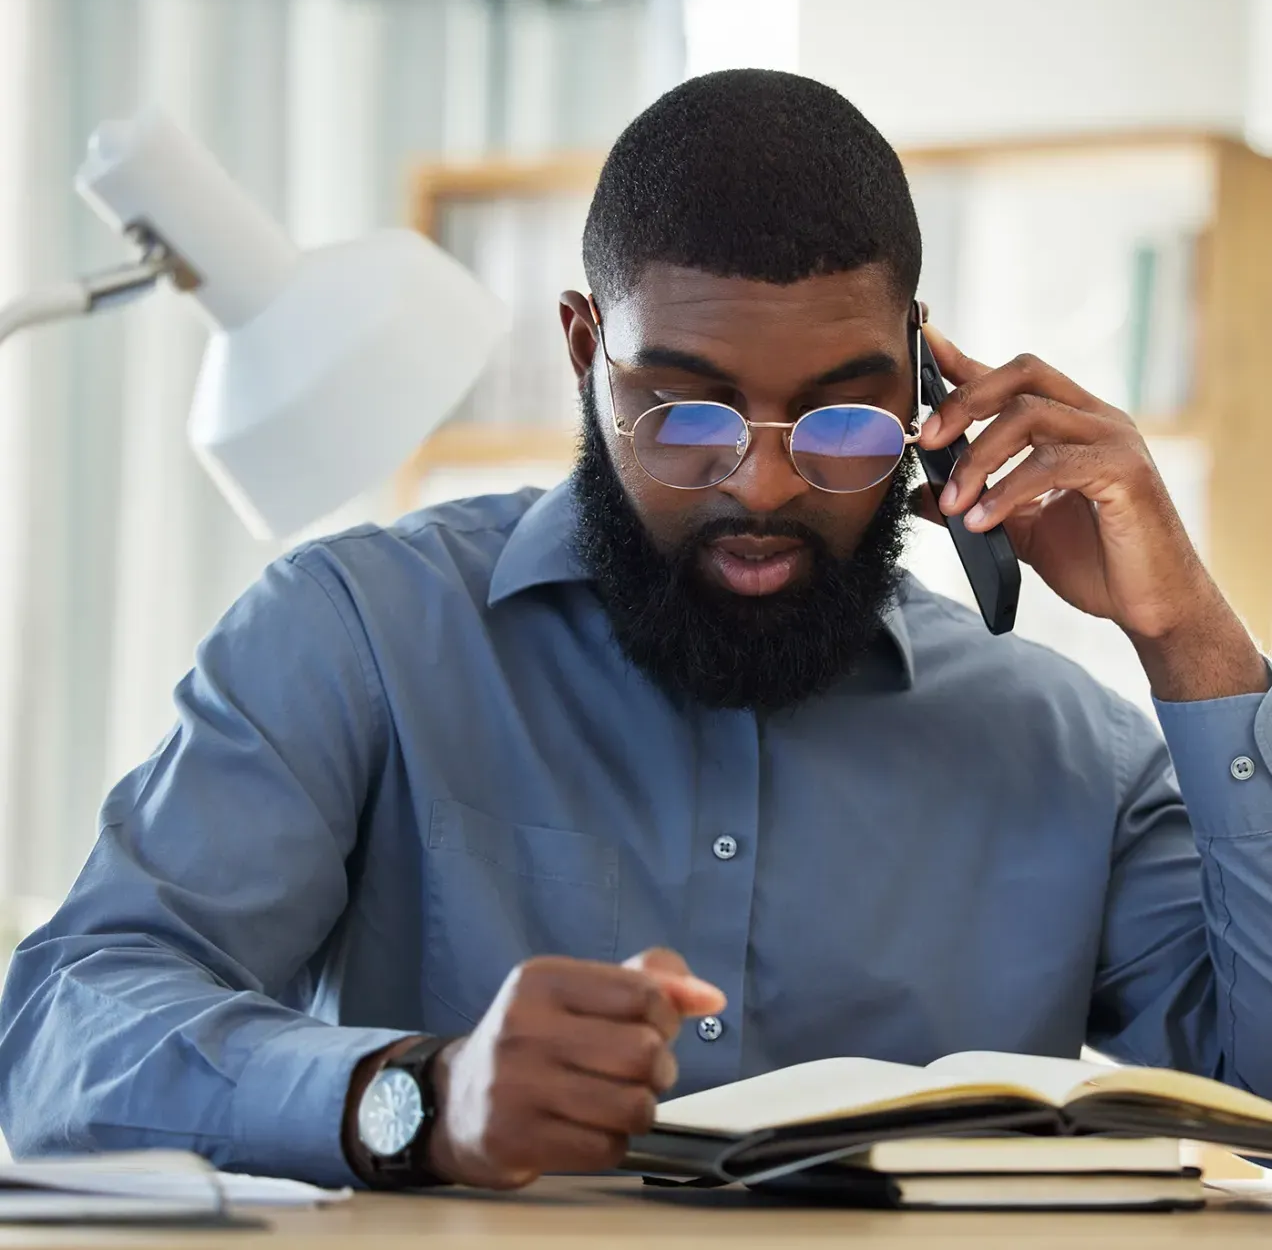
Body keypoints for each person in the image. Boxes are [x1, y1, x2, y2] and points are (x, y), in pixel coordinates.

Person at [1, 69, 1269, 1191]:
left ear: (926, 389)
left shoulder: (1068, 755)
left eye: (840, 424)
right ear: (582, 348)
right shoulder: (361, 640)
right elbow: (64, 1027)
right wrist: (418, 1100)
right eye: (687, 416)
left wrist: (1191, 638)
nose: (762, 490)